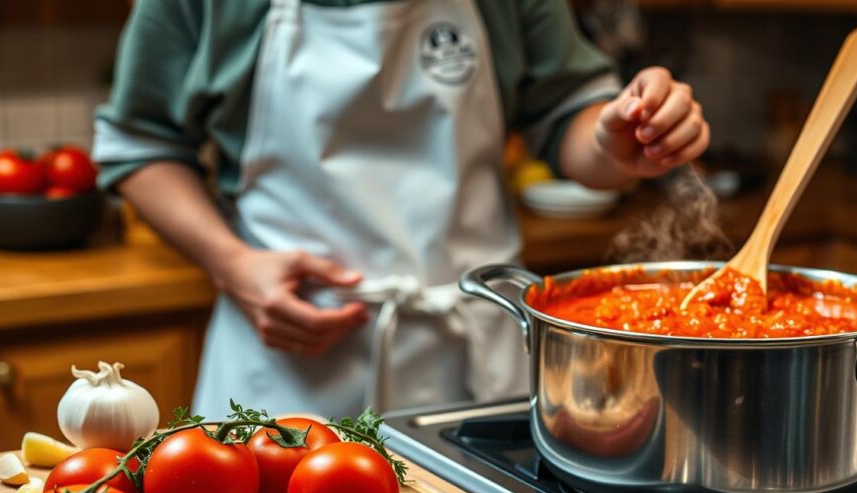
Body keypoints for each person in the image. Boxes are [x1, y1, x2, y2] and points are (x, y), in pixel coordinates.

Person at [93, 0, 710, 419]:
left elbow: (568, 119)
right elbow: (139, 145)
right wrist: (232, 266)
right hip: (287, 366)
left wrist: (615, 139)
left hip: (476, 356)